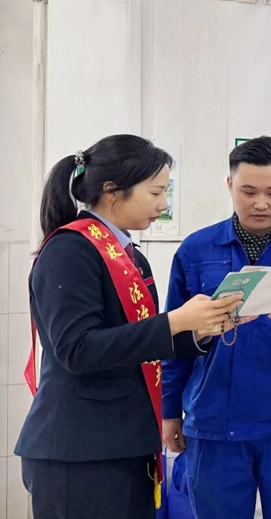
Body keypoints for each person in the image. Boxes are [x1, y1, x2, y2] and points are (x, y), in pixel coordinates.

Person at [15, 135, 243, 519]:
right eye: (156, 192)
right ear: (112, 191)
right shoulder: (69, 250)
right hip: (80, 451)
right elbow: (77, 350)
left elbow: (137, 342)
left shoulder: (131, 256)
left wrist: (201, 329)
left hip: (127, 444)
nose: (164, 204)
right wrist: (175, 321)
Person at [161, 136, 271, 519]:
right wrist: (169, 411)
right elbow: (173, 340)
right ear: (230, 185)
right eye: (249, 191)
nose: (261, 203)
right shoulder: (196, 250)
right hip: (214, 420)